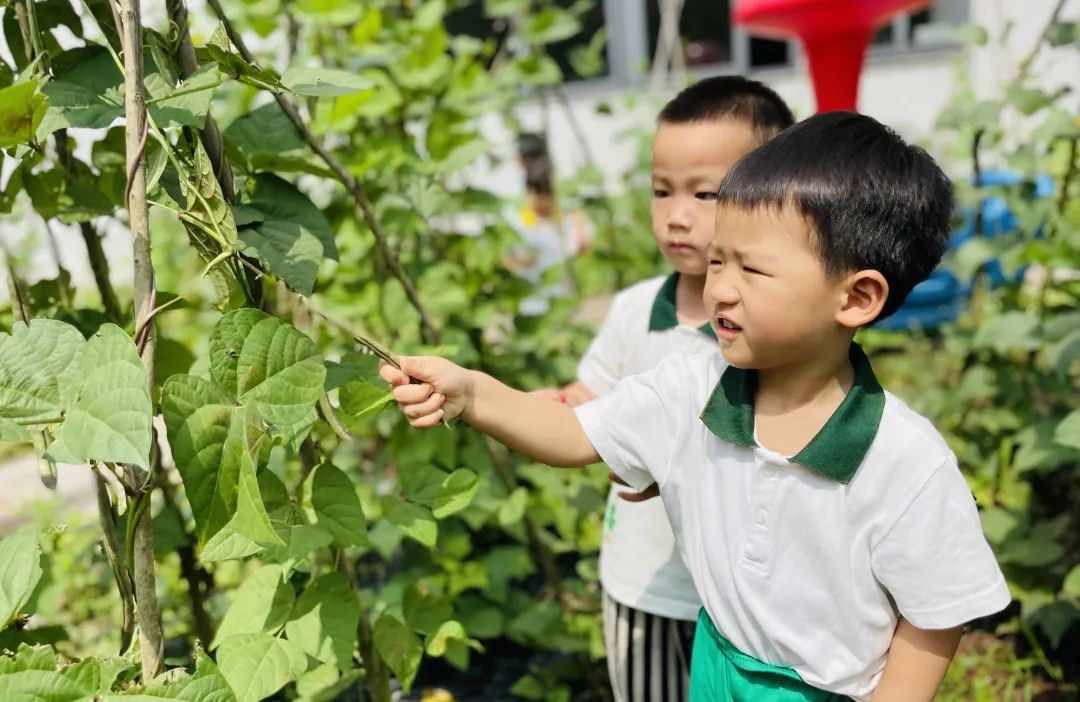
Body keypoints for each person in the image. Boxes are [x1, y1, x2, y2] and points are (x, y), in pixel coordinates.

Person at [381, 112, 1010, 701]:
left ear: (856, 297)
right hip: (716, 665)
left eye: (751, 271)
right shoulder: (692, 387)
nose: (720, 290)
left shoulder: (904, 460)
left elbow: (936, 616)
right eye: (717, 262)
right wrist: (473, 393)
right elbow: (574, 434)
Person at [549, 76, 794, 702]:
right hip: (648, 588)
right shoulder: (636, 311)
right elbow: (584, 401)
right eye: (661, 191)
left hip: (757, 601)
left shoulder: (786, 329)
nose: (676, 215)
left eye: (705, 192)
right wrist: (496, 400)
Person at [506, 135, 589, 316]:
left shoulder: (561, 216)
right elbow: (509, 256)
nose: (536, 199)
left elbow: (580, 243)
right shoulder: (520, 212)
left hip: (555, 294)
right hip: (531, 297)